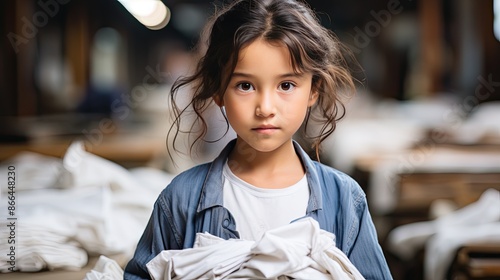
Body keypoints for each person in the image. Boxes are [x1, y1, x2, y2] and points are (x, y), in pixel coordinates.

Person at [124, 0, 392, 279]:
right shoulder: (180, 200)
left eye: (286, 85)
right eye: (245, 85)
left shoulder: (346, 200)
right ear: (218, 90)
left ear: (314, 90)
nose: (265, 107)